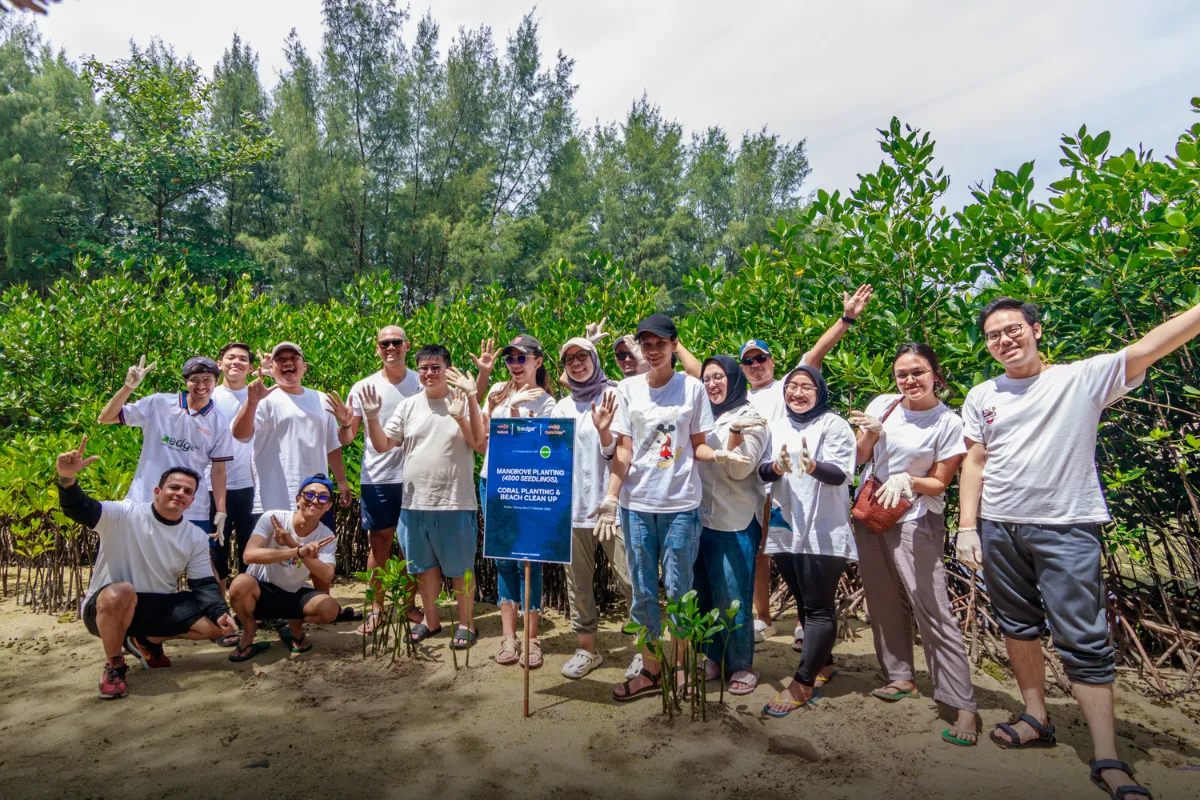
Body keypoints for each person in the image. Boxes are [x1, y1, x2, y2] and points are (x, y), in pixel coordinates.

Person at [959, 296, 1200, 799]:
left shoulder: (1080, 378)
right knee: (1017, 626)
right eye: (993, 335)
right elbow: (975, 462)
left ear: (1036, 330)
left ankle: (1108, 757)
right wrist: (967, 528)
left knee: (1084, 639)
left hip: (1066, 526)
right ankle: (1035, 716)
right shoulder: (983, 394)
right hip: (1001, 527)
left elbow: (1155, 344)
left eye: (1013, 330)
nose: (1004, 340)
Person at [592, 313, 749, 702]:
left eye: (660, 342)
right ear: (639, 348)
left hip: (681, 505)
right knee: (643, 590)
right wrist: (611, 497)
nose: (653, 349)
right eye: (646, 343)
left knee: (681, 590)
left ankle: (680, 668)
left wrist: (723, 454)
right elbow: (624, 451)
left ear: (673, 345)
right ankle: (649, 668)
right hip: (637, 504)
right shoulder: (627, 389)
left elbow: (697, 445)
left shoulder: (692, 389)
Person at [848, 343, 977, 745]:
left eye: (918, 372)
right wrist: (868, 434)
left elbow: (940, 482)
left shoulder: (948, 422)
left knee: (932, 605)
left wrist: (908, 480)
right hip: (874, 513)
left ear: (936, 373)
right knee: (882, 597)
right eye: (902, 373)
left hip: (917, 519)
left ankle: (963, 705)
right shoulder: (885, 404)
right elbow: (858, 457)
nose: (910, 380)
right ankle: (900, 676)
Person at [742, 284, 874, 648]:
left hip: (798, 481)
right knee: (763, 552)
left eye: (761, 359)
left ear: (772, 362)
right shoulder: (739, 396)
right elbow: (697, 373)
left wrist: (846, 319)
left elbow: (816, 353)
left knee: (803, 545)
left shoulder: (790, 384)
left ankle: (806, 623)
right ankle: (763, 618)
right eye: (748, 361)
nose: (755, 365)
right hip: (763, 480)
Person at [57, 438, 237, 699]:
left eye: (187, 492)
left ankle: (147, 641)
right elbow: (80, 508)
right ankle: (115, 664)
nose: (180, 493)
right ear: (156, 491)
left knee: (215, 625)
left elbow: (203, 585)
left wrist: (221, 612)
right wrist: (67, 479)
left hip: (154, 607)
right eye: (173, 487)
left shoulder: (194, 536)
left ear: (191, 501)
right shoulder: (123, 514)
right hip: (105, 607)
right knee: (122, 592)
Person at [361, 344, 485, 650]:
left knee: (460, 571)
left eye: (436, 367)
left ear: (448, 369)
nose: (430, 373)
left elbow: (480, 444)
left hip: (455, 502)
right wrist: (372, 417)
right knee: (423, 569)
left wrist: (464, 410)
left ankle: (467, 624)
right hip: (414, 504)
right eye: (425, 368)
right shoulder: (408, 405)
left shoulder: (464, 401)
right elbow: (382, 445)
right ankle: (431, 621)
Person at [759, 366, 856, 717]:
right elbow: (762, 471)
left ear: (820, 391)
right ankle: (824, 664)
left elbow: (841, 474)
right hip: (786, 526)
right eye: (792, 387)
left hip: (823, 529)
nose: (797, 393)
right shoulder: (777, 424)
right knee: (802, 600)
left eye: (806, 387)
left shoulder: (833, 425)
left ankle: (802, 683)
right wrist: (778, 468)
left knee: (817, 606)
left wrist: (812, 464)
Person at [231, 342, 352, 608]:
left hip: (316, 496)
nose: (288, 362)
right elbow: (240, 434)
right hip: (274, 494)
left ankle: (323, 602)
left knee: (319, 549)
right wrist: (251, 402)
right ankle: (274, 610)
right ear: (271, 367)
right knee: (275, 554)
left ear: (304, 367)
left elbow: (334, 444)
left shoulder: (321, 399)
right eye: (280, 359)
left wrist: (341, 481)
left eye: (293, 358)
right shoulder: (263, 400)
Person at [553, 333, 636, 679]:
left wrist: (604, 433)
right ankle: (587, 650)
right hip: (572, 511)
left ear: (595, 359)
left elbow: (615, 451)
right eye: (569, 358)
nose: (576, 362)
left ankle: (641, 650)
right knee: (579, 585)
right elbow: (551, 460)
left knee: (631, 579)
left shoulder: (614, 394)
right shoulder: (560, 407)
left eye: (582, 356)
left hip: (609, 508)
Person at [332, 326, 423, 634]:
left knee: (412, 545)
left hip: (416, 475)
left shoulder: (421, 381)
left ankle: (409, 605)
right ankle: (376, 608)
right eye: (384, 343)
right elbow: (347, 439)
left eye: (396, 342)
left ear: (407, 346)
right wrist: (344, 424)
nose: (390, 347)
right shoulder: (363, 387)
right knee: (380, 544)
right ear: (377, 348)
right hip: (379, 477)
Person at [474, 334, 557, 668]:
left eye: (523, 358)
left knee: (530, 561)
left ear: (538, 361)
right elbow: (481, 438)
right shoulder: (494, 392)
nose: (515, 365)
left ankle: (532, 640)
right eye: (510, 359)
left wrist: (514, 414)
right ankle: (509, 637)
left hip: (530, 485)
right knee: (503, 560)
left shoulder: (547, 402)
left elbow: (544, 451)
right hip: (492, 482)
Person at [694, 355, 770, 695]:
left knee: (733, 596)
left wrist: (736, 432)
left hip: (735, 519)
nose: (712, 384)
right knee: (705, 593)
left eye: (719, 377)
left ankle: (742, 664)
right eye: (707, 378)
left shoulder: (750, 417)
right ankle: (714, 655)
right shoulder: (702, 415)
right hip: (699, 518)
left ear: (735, 379)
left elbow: (739, 470)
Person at [96, 355, 232, 545]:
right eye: (194, 379)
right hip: (144, 501)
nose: (201, 385)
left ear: (216, 382)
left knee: (201, 563)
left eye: (207, 379)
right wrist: (129, 387)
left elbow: (219, 470)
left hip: (193, 507)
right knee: (138, 558)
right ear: (186, 381)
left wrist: (221, 510)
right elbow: (106, 418)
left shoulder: (219, 422)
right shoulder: (158, 403)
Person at [226, 475, 340, 662]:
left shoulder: (326, 535)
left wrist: (293, 545)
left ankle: (294, 625)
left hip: (294, 592)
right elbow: (249, 555)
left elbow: (327, 575)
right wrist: (296, 551)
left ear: (328, 506)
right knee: (239, 584)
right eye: (309, 495)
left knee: (330, 609)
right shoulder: (273, 518)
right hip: (261, 589)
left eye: (322, 498)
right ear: (298, 499)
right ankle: (249, 630)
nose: (315, 500)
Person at [206, 344, 257, 632]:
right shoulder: (208, 395)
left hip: (253, 486)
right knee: (216, 551)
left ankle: (247, 609)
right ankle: (220, 613)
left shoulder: (261, 394)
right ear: (220, 364)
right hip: (212, 487)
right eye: (231, 358)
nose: (236, 362)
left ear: (250, 367)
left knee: (250, 551)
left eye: (242, 359)